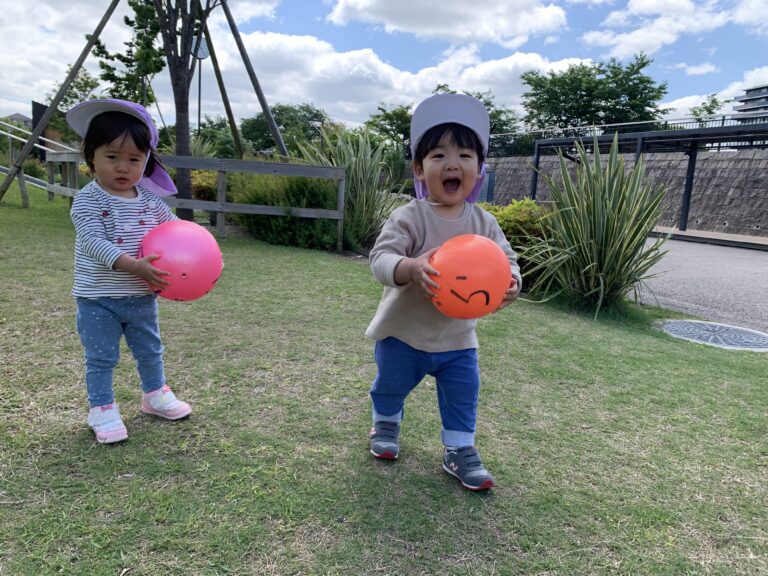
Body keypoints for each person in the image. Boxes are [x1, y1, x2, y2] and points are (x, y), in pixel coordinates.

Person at [365, 93, 522, 491]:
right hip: (404, 333)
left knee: (463, 394)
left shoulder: (484, 223)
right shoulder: (409, 216)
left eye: (465, 155)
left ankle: (459, 448)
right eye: (438, 155)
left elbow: (507, 261)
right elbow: (380, 259)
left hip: (457, 338)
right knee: (390, 385)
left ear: (479, 169)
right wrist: (410, 267)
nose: (453, 163)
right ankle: (386, 422)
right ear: (419, 169)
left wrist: (512, 282)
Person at [66, 99, 192, 444]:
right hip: (98, 298)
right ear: (91, 157)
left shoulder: (150, 201)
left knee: (150, 350)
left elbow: (176, 230)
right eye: (112, 157)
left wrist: (200, 250)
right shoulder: (88, 200)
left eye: (134, 159)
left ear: (146, 161)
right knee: (101, 357)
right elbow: (93, 241)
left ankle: (155, 395)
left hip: (141, 295)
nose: (123, 167)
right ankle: (102, 409)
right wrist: (133, 265)